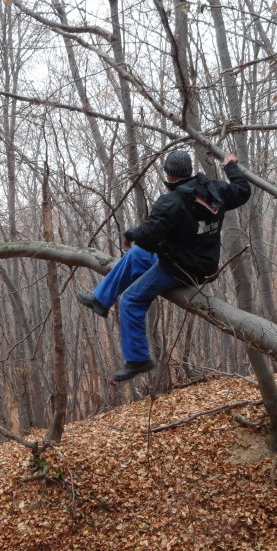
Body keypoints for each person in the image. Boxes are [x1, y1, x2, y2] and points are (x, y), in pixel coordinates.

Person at [77, 146, 251, 381]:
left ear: (169, 175)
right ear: (189, 171)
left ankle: (138, 359)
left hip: (182, 268)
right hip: (200, 260)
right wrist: (230, 166)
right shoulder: (215, 190)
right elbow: (242, 190)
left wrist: (130, 235)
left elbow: (149, 237)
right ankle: (101, 300)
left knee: (131, 300)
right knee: (137, 255)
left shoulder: (172, 202)